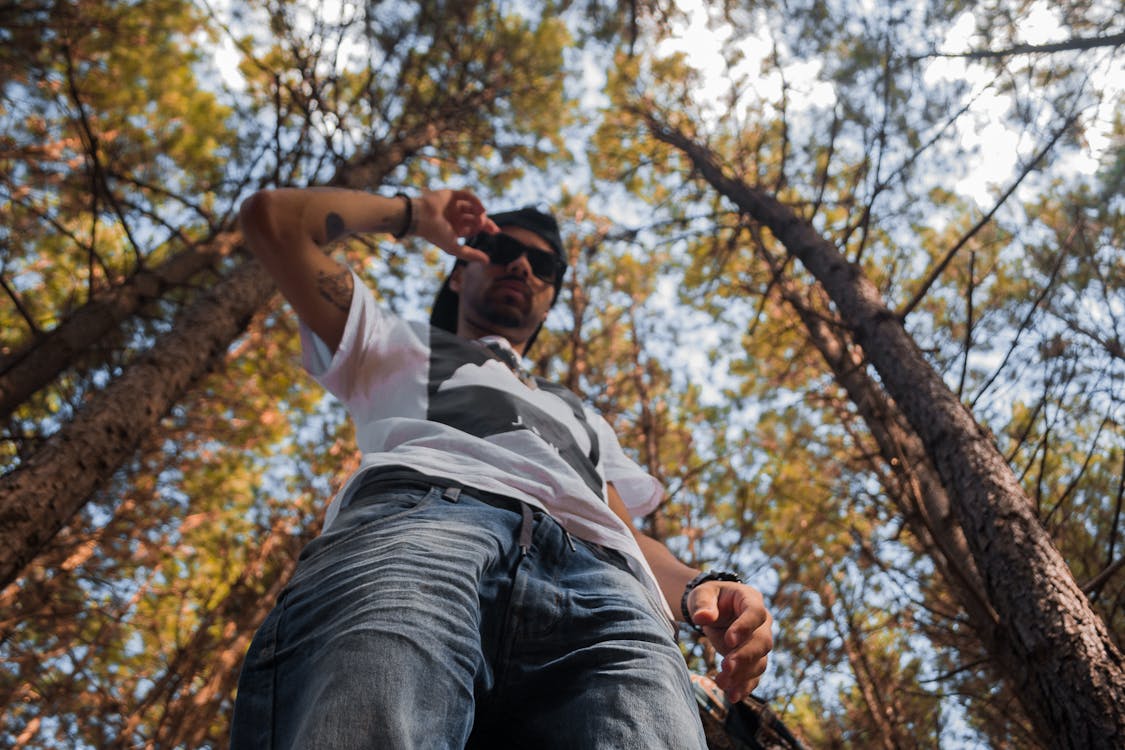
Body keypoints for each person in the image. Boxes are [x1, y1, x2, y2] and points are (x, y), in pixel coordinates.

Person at [230, 186, 773, 749]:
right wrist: (413, 215)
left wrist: (704, 588)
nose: (521, 264)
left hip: (607, 586)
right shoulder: (393, 340)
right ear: (460, 272)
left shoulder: (579, 414)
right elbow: (274, 221)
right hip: (421, 528)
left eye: (543, 265)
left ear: (548, 298)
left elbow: (627, 532)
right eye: (500, 247)